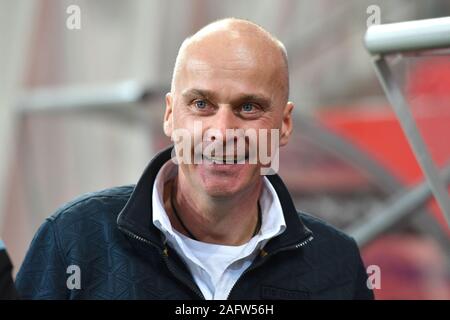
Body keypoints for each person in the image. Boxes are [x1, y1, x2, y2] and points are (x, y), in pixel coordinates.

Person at [15, 18, 373, 300]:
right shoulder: (75, 239)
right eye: (201, 104)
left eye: (249, 108)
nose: (221, 131)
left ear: (284, 124)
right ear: (170, 115)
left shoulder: (335, 263)